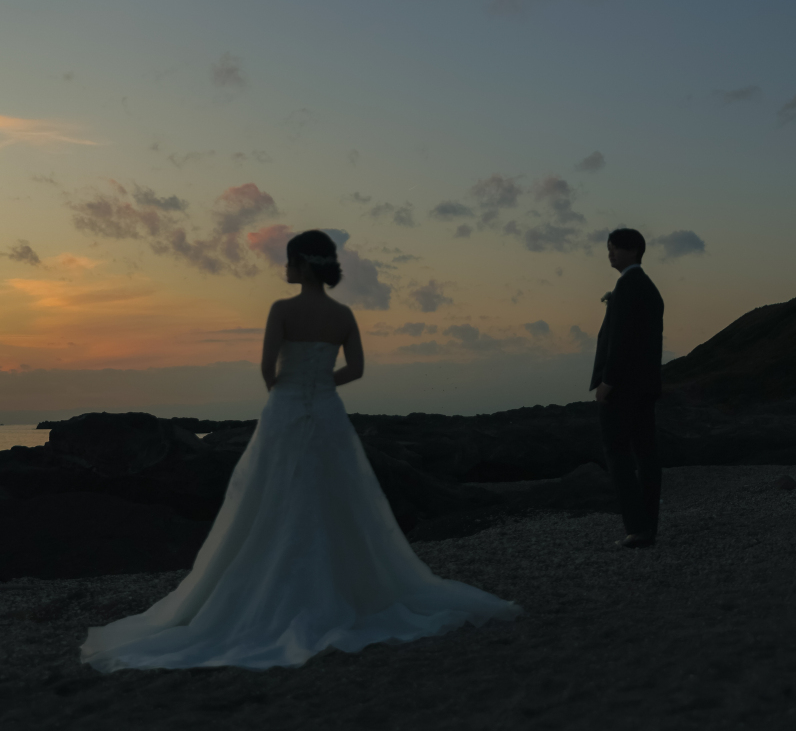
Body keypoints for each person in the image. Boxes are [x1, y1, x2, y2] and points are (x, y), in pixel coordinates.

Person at [81, 229, 520, 672]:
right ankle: (341, 588)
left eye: (290, 261)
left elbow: (267, 367)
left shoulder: (283, 310)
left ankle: (272, 592)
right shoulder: (342, 314)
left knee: (276, 498)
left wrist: (285, 391)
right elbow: (356, 369)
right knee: (335, 499)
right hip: (327, 411)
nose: (285, 269)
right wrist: (322, 383)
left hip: (287, 410)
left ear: (304, 265)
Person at [590, 227, 664, 549]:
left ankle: (637, 527)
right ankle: (647, 526)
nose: (610, 253)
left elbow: (620, 340)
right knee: (646, 454)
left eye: (615, 248)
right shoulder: (647, 287)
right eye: (609, 248)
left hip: (623, 388)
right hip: (645, 386)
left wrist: (607, 382)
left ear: (633, 250)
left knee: (618, 453)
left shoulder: (628, 286)